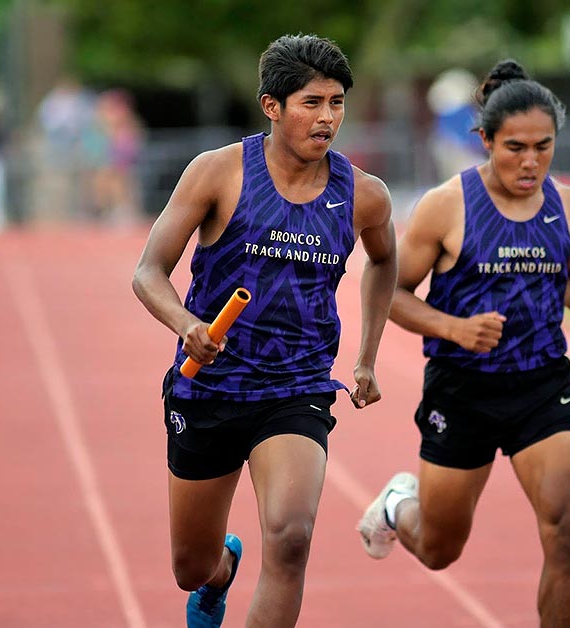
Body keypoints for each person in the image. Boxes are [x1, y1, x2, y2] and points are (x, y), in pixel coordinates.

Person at [357, 59, 570, 627]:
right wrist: (452, 328)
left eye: (543, 146)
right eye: (514, 147)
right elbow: (391, 289)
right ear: (484, 140)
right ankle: (394, 505)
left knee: (566, 529)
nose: (530, 161)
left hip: (542, 388)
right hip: (463, 392)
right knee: (439, 549)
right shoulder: (446, 205)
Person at [132, 34, 397, 628]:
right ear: (271, 106)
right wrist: (187, 324)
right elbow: (148, 272)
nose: (327, 117)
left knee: (291, 536)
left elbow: (384, 261)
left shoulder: (363, 196)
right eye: (311, 102)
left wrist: (366, 357)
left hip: (295, 388)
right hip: (209, 386)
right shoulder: (218, 173)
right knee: (190, 567)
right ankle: (219, 574)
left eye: (336, 102)